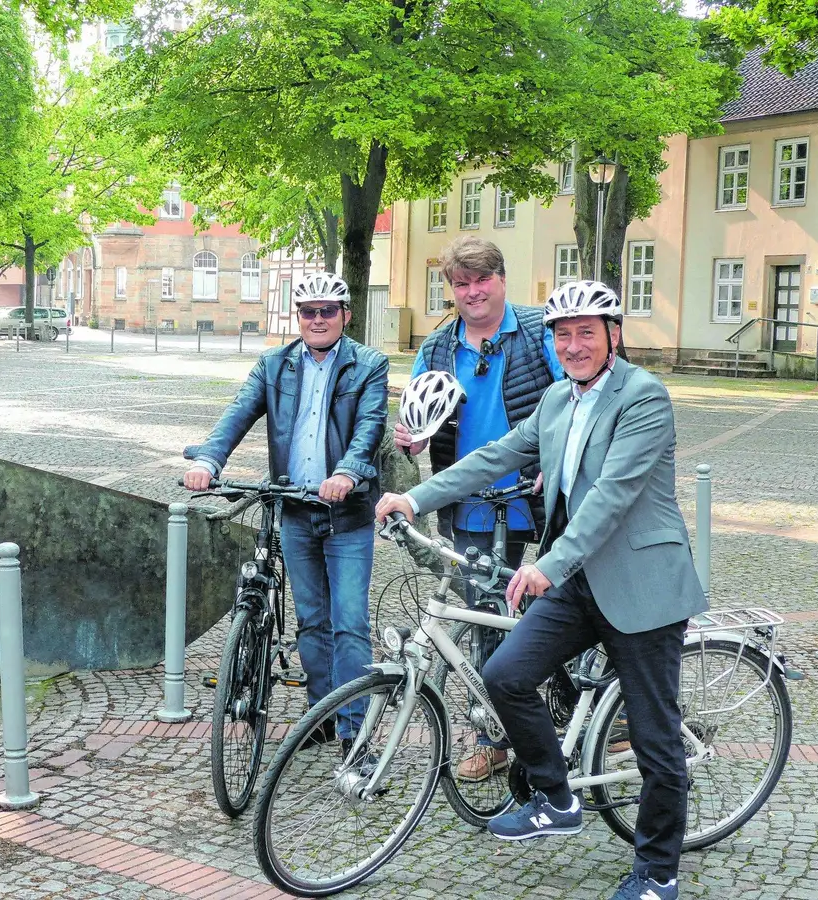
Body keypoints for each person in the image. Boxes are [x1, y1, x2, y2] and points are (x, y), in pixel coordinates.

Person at [376, 281, 708, 900]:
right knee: (506, 674)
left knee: (655, 738)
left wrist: (548, 565)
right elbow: (496, 454)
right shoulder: (558, 398)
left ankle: (658, 872)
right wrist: (415, 497)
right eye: (563, 335)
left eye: (586, 332)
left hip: (642, 585)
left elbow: (612, 495)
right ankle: (555, 798)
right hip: (579, 582)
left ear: (614, 335)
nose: (574, 345)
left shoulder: (643, 397)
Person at [184, 271, 390, 752]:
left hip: (347, 515)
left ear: (345, 315)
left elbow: (370, 426)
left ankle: (355, 734)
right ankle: (322, 715)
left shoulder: (369, 365)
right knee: (311, 623)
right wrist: (210, 460)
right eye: (308, 311)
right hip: (295, 510)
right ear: (298, 316)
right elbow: (238, 412)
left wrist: (348, 472)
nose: (317, 319)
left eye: (327, 311)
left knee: (350, 625)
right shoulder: (274, 364)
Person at [396, 235, 563, 782]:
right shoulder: (438, 348)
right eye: (461, 283)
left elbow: (575, 398)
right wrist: (412, 440)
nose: (472, 292)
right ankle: (495, 738)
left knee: (571, 606)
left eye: (482, 279)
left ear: (502, 279)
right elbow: (417, 420)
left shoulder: (539, 331)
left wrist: (555, 458)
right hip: (471, 503)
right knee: (486, 616)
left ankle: (596, 710)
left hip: (541, 495)